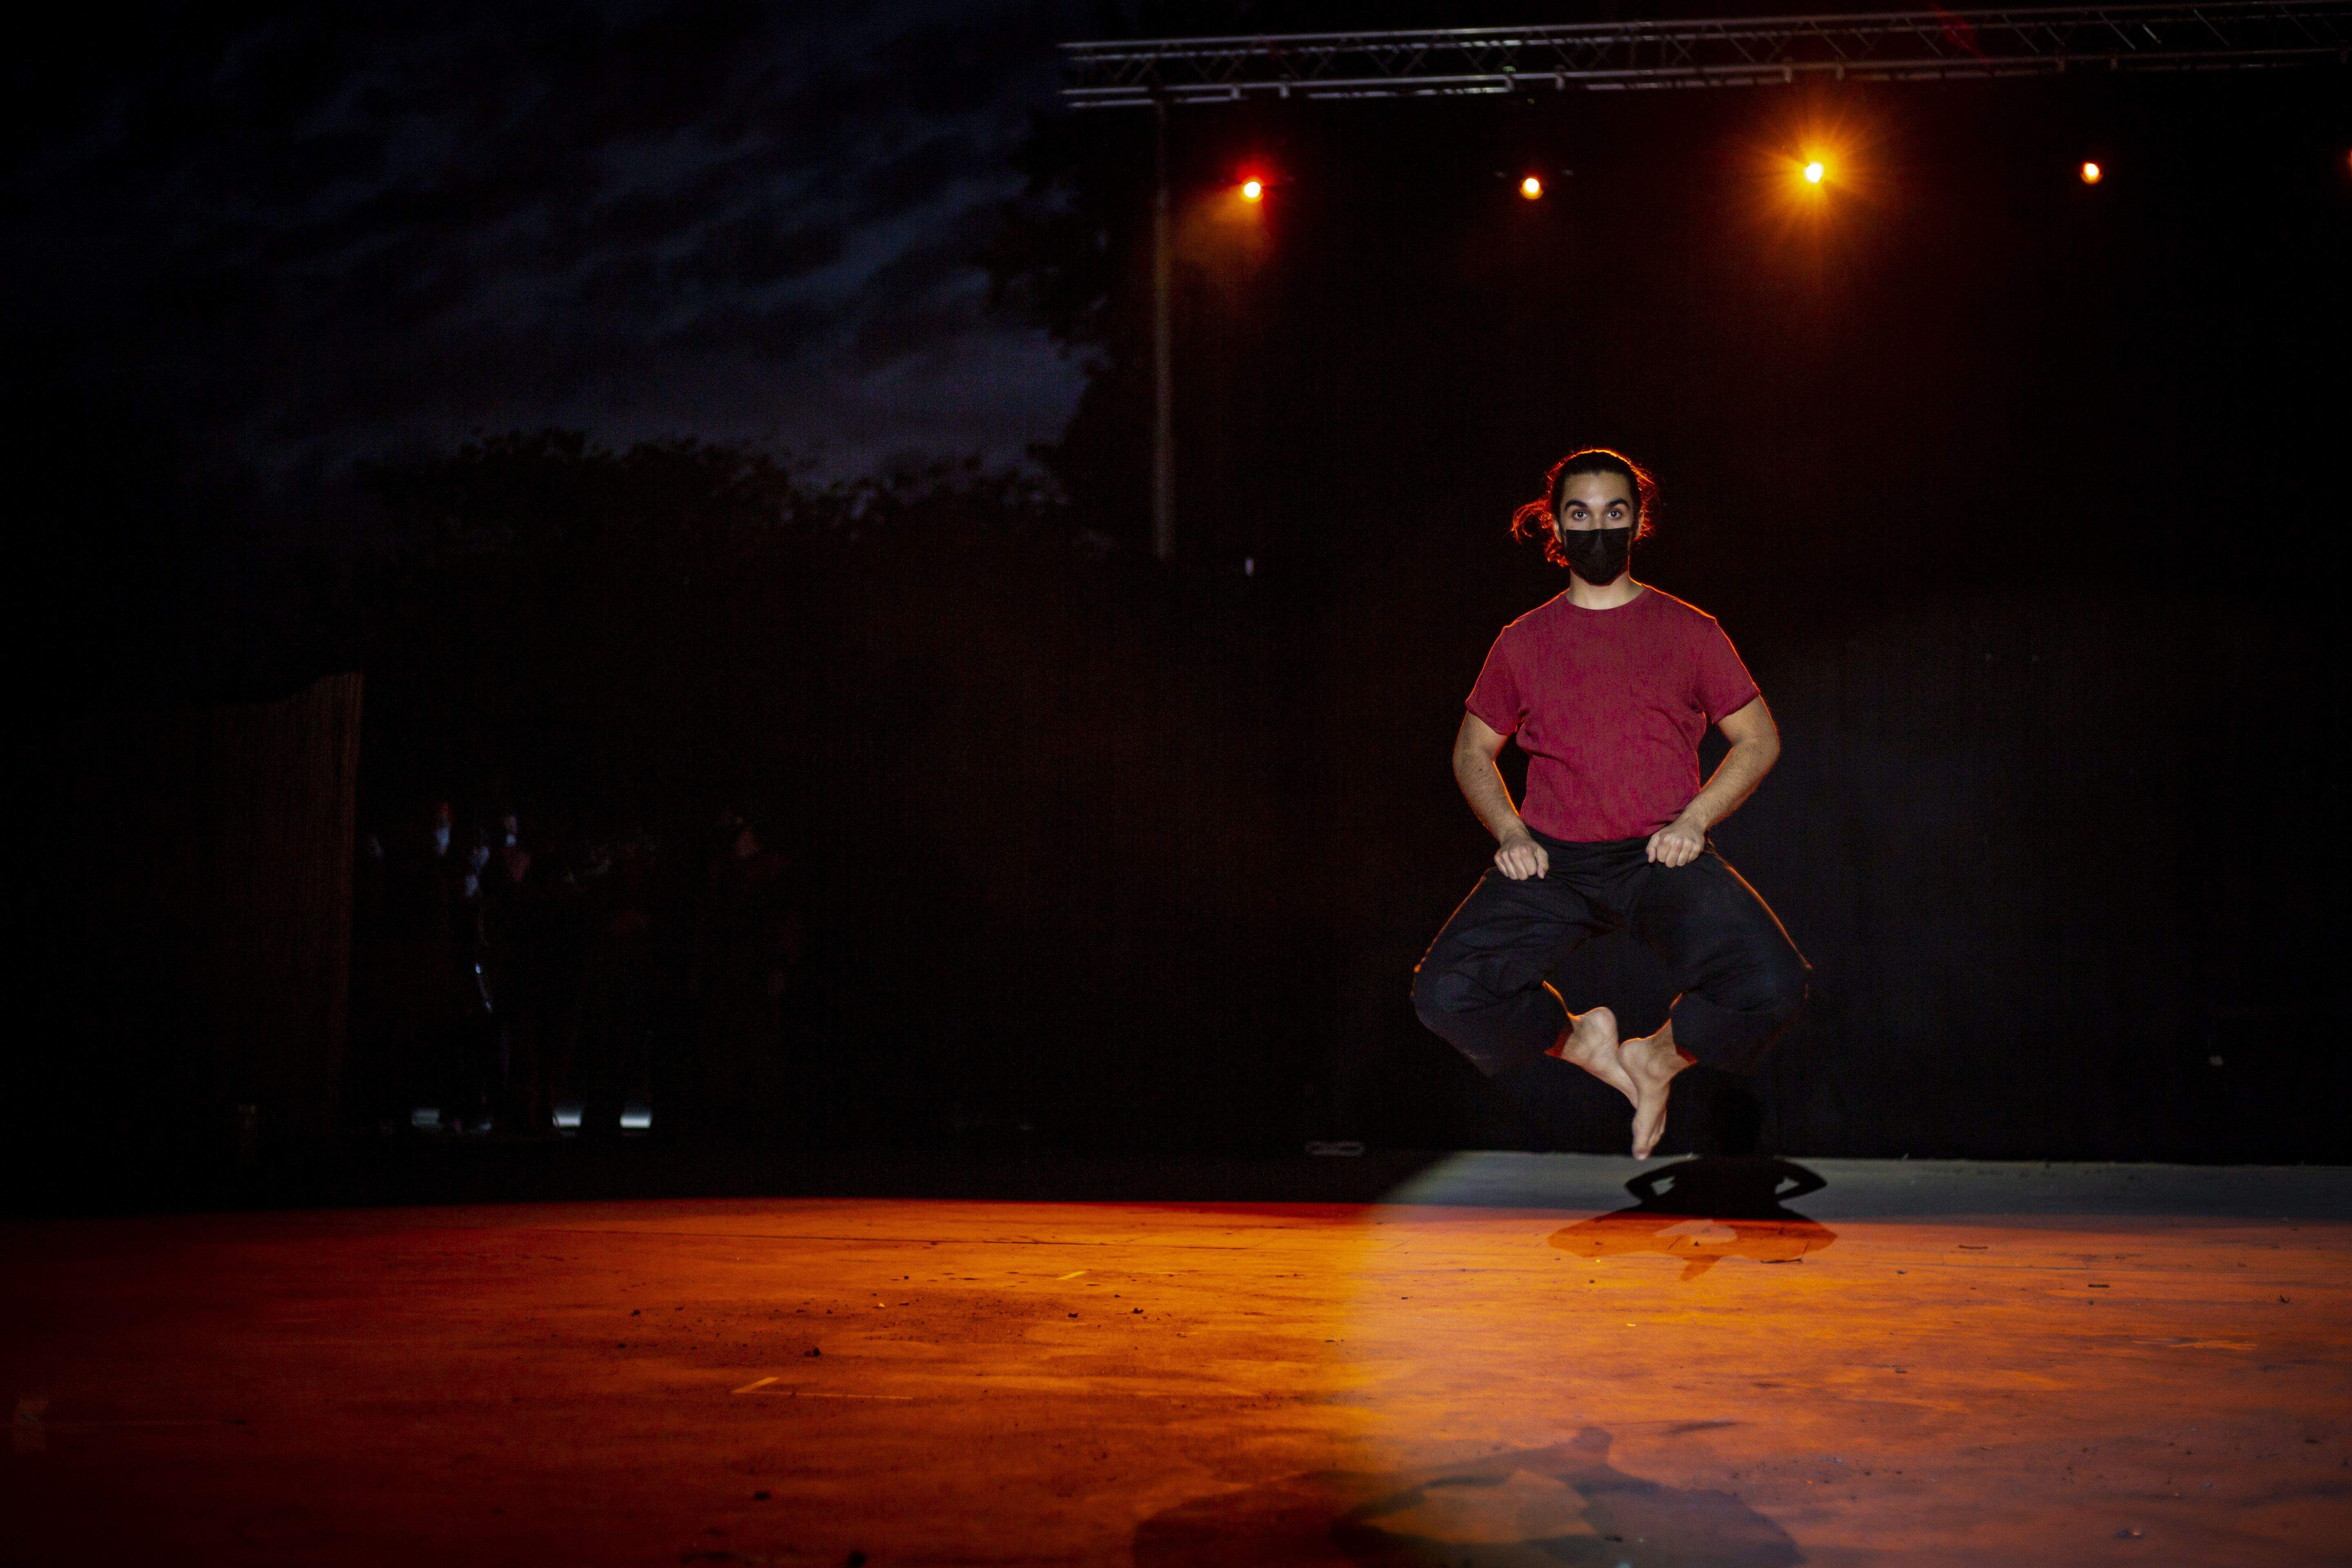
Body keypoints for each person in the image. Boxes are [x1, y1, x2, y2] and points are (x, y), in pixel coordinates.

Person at [1410, 448, 1809, 1159]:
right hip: (1554, 861)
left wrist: (1695, 820)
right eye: (1581, 514)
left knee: (1774, 986)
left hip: (1657, 854)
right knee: (1445, 994)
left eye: (1614, 513)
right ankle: (1582, 1042)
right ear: (1556, 528)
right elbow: (1472, 750)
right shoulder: (1521, 643)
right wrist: (1509, 831)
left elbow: (1759, 739)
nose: (1598, 529)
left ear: (1637, 522)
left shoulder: (1691, 631)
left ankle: (1656, 1059)